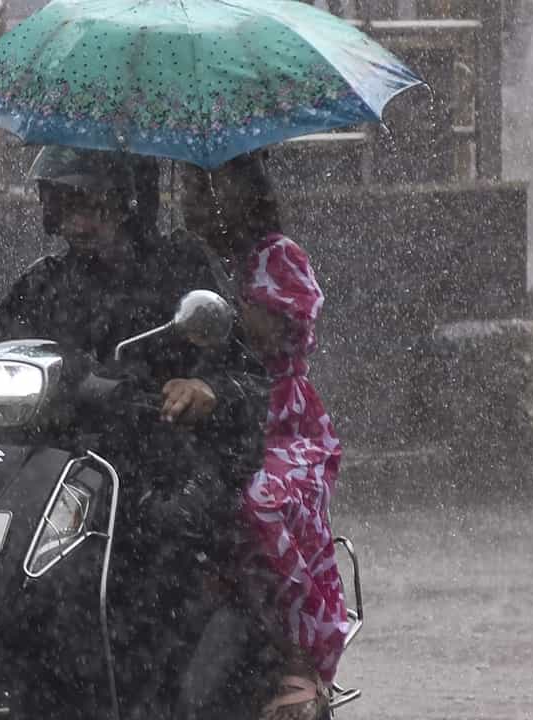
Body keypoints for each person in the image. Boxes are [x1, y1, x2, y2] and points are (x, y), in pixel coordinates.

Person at [0, 147, 277, 717]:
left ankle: (154, 700)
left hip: (157, 467)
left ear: (128, 203)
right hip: (52, 478)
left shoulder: (181, 274)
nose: (78, 222)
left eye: (92, 205)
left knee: (160, 553)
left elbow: (250, 381)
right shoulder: (43, 282)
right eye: (65, 205)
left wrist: (206, 389)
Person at [181, 153, 347, 720]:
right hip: (212, 421)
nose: (196, 202)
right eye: (190, 188)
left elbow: (272, 331)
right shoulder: (182, 263)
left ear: (246, 194)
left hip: (280, 424)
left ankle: (300, 652)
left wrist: (218, 307)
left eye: (211, 189)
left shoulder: (276, 256)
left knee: (259, 501)